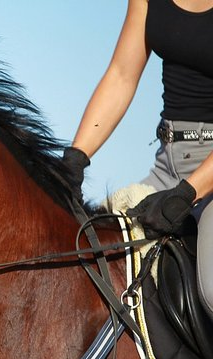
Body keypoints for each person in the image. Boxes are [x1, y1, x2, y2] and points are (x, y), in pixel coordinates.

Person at [64, 0, 213, 317]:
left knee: (212, 289)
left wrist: (188, 192)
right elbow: (121, 76)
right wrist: (75, 159)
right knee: (88, 249)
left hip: (209, 175)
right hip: (166, 165)